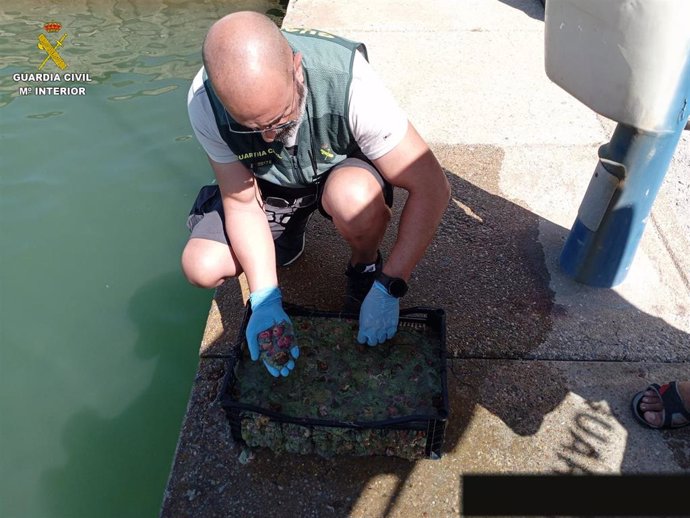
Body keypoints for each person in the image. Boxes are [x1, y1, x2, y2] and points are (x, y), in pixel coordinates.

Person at [181, 12, 450, 377]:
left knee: (355, 200)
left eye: (280, 120)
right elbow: (241, 202)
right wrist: (264, 297)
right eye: (253, 127)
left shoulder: (352, 84)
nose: (271, 137)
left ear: (296, 66)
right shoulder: (204, 101)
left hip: (337, 168)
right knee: (202, 265)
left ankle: (364, 266)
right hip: (267, 183)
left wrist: (392, 283)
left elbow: (433, 188)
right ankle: (287, 239)